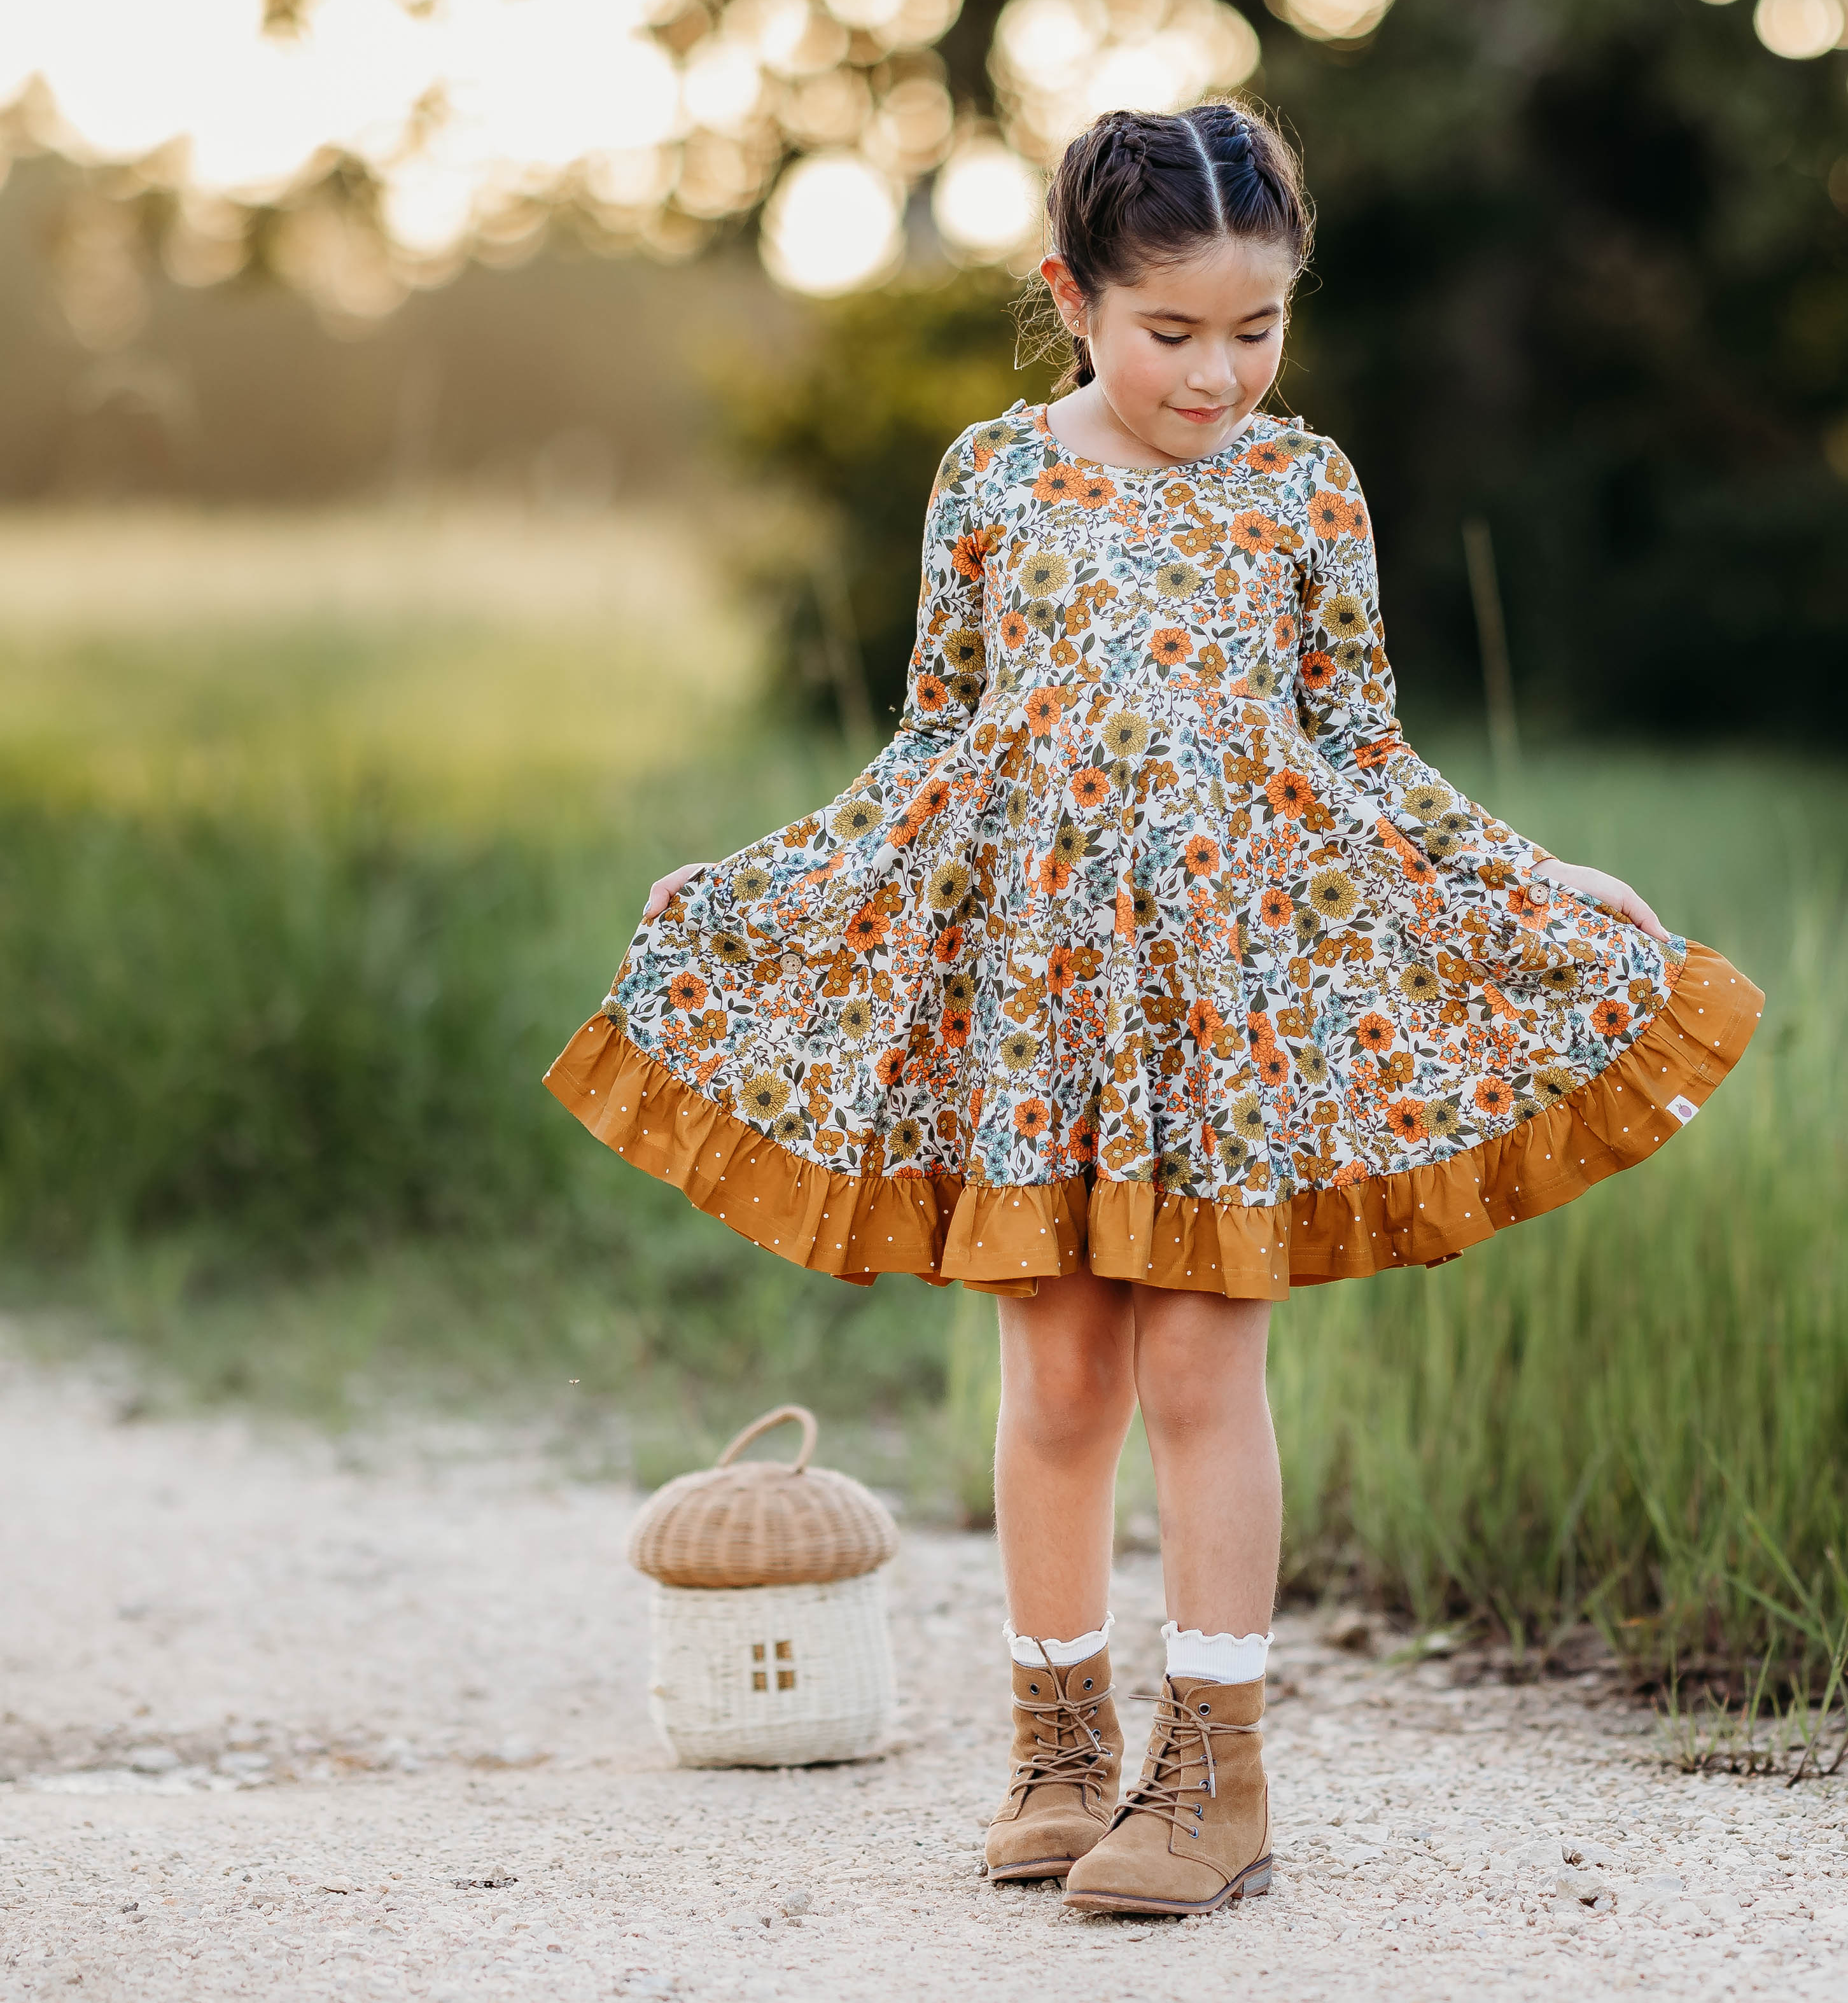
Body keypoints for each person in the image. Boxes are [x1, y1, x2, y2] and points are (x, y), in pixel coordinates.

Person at [545, 101, 1761, 1916]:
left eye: (1256, 329)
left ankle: (1216, 1767)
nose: (1217, 373)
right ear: (1074, 299)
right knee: (1053, 1371)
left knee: (1201, 1361)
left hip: (1222, 1007)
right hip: (1043, 996)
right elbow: (936, 745)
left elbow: (1361, 746)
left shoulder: (1306, 486)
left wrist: (1526, 874)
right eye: (1171, 332)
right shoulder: (994, 479)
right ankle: (1057, 1744)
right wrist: (756, 883)